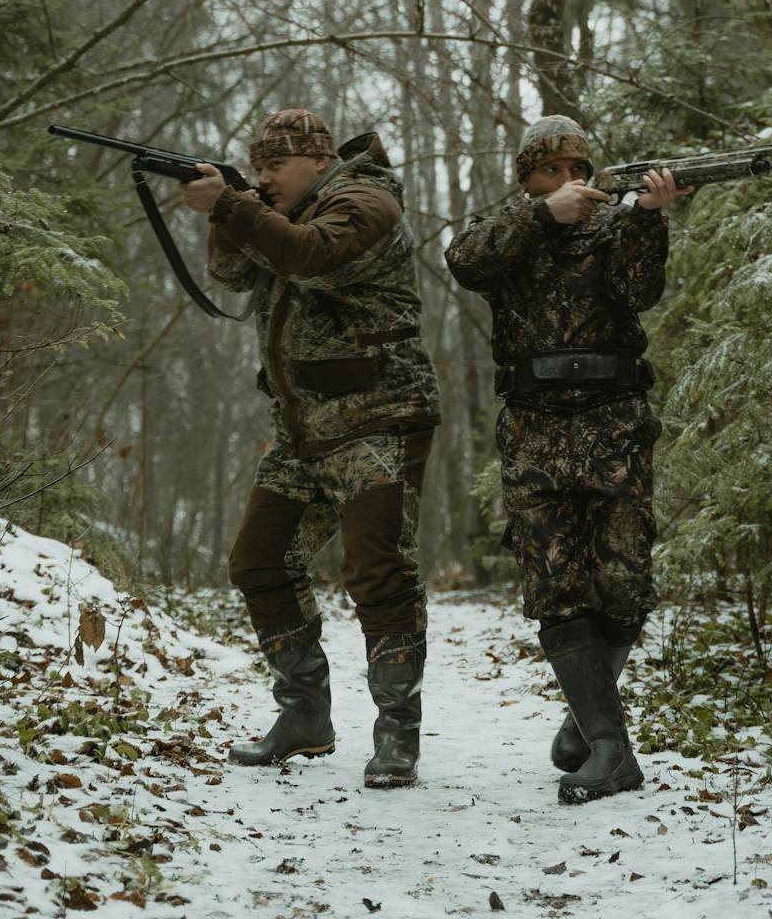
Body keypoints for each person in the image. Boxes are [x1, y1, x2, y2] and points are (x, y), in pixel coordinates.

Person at [180, 108, 440, 789]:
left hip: (378, 417)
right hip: (302, 427)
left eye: (276, 166)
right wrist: (229, 206)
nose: (265, 178)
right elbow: (236, 274)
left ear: (320, 159)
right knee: (259, 562)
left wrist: (236, 202)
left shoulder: (365, 201)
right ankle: (304, 719)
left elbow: (313, 257)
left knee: (377, 574)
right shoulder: (280, 210)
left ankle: (397, 735)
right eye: (257, 166)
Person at [444, 115, 688, 804]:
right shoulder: (506, 230)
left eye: (579, 170)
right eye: (551, 171)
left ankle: (590, 720)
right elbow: (466, 262)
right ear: (527, 179)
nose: (570, 182)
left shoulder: (614, 226)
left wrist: (647, 217)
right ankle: (612, 750)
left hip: (614, 423)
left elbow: (640, 291)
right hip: (535, 427)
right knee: (555, 583)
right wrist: (543, 217)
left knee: (624, 579)